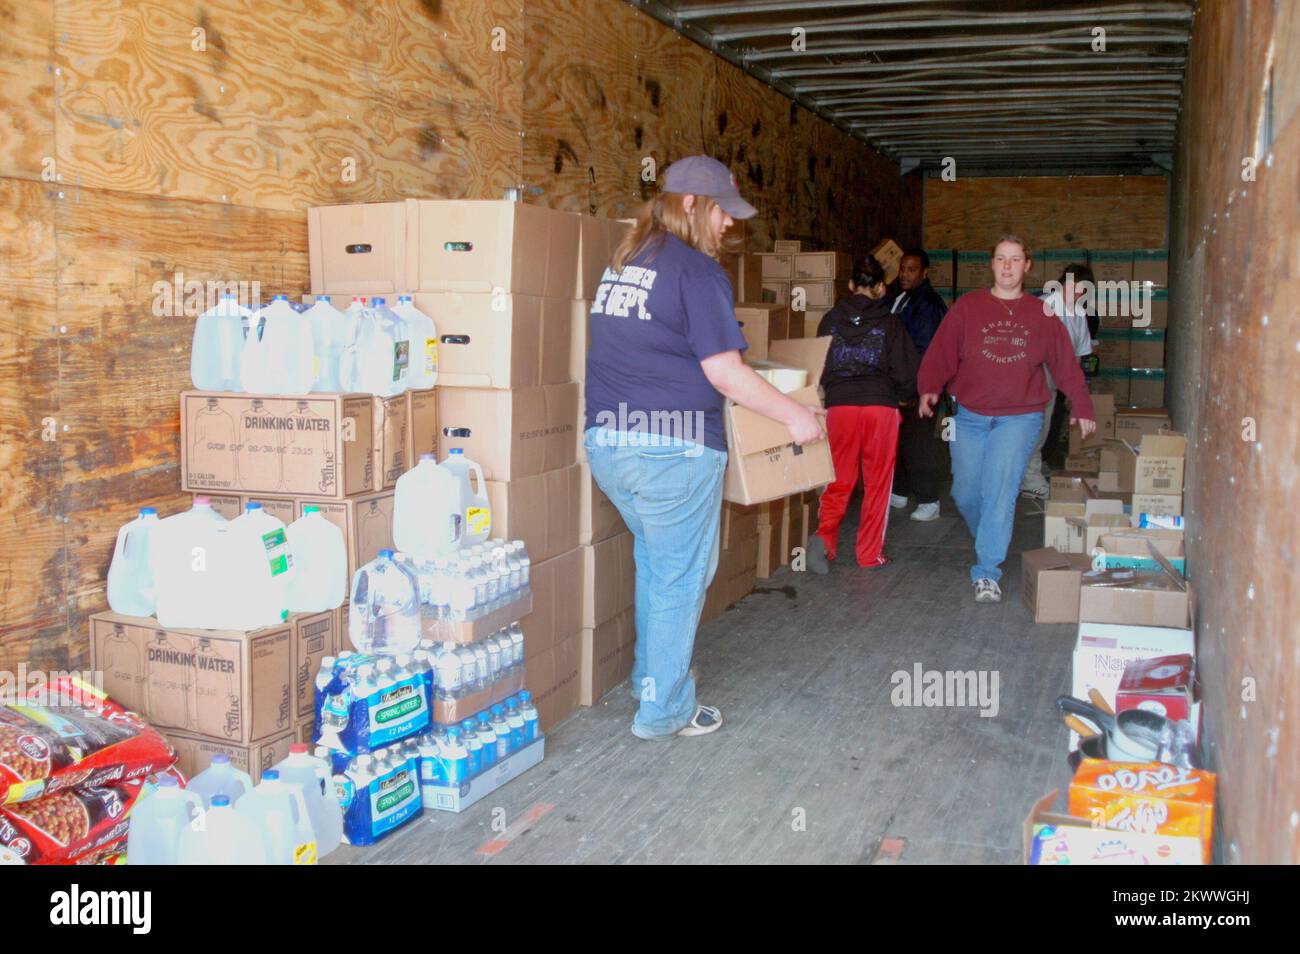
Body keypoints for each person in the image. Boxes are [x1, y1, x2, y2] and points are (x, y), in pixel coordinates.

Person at [583, 155, 824, 740]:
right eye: (722, 212)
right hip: (672, 449)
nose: (729, 226)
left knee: (658, 565)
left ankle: (651, 680)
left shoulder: (626, 262)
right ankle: (663, 711)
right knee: (680, 576)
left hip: (610, 443)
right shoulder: (696, 271)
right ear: (690, 205)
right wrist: (796, 416)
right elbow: (725, 372)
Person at [916, 235, 1096, 603]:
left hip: (1020, 417)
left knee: (1000, 491)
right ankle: (991, 536)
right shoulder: (968, 307)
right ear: (992, 264)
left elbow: (1065, 363)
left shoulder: (1042, 314)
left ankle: (987, 571)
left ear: (1027, 265)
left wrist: (1082, 404)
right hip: (970, 417)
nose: (1008, 265)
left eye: (1016, 259)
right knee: (964, 492)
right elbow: (941, 351)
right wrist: (929, 386)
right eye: (1001, 258)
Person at [805, 255, 918, 574]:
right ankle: (868, 554)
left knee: (838, 478)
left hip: (839, 407)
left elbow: (819, 365)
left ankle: (825, 538)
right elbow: (907, 373)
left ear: (851, 285)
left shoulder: (829, 320)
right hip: (879, 407)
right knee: (877, 483)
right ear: (881, 288)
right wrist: (905, 398)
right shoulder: (890, 323)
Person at [886, 249, 948, 521]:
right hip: (903, 382)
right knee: (898, 439)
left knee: (918, 442)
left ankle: (929, 500)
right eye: (903, 268)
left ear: (925, 272)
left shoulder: (928, 304)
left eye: (912, 270)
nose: (905, 274)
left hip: (924, 384)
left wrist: (914, 389)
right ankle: (899, 491)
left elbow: (926, 351)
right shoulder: (902, 298)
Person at [1026, 262, 1096, 486]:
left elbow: (1079, 354)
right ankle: (1021, 475)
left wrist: (1073, 392)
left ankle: (1030, 474)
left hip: (1053, 382)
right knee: (1027, 429)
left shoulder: (1079, 315)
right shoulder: (1042, 305)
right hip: (1032, 376)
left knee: (1042, 429)